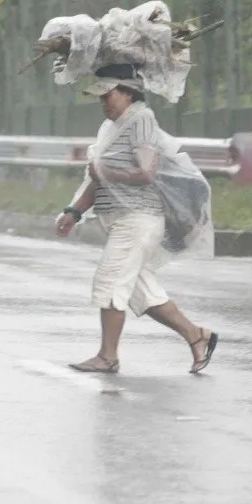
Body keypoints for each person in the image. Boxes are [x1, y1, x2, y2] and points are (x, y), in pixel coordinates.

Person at [56, 74, 217, 375]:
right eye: (100, 97)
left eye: (109, 95)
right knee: (141, 293)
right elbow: (98, 178)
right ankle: (197, 336)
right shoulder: (111, 127)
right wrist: (74, 212)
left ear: (129, 93)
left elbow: (147, 172)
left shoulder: (141, 119)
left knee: (111, 281)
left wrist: (105, 172)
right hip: (122, 220)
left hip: (138, 218)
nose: (103, 102)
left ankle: (108, 356)